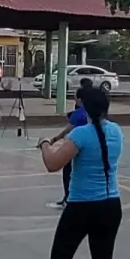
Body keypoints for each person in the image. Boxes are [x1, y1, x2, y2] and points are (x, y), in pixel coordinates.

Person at [31, 87, 125, 259]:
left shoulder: (80, 134)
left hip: (83, 206)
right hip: (111, 205)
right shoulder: (116, 131)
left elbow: (53, 164)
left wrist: (45, 144)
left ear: (85, 108)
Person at [45, 79, 94, 209]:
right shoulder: (92, 112)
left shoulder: (77, 115)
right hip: (89, 147)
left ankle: (68, 197)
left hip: (74, 146)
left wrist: (54, 139)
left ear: (79, 99)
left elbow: (68, 130)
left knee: (68, 172)